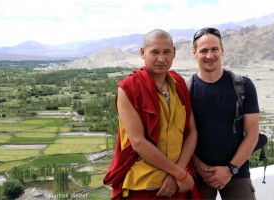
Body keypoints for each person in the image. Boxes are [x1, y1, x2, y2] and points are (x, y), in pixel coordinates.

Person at [103, 29, 202, 199]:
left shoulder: (178, 84)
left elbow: (192, 132)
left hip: (178, 185)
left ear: (174, 52)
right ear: (143, 53)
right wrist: (179, 174)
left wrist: (177, 173)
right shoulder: (129, 88)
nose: (161, 59)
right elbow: (138, 142)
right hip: (144, 186)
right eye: (154, 52)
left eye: (166, 52)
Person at [189, 27, 260, 199]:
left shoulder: (243, 86)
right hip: (199, 174)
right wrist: (198, 167)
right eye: (203, 50)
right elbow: (182, 135)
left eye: (214, 49)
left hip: (237, 171)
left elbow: (252, 134)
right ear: (194, 53)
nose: (209, 55)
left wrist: (230, 169)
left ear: (222, 50)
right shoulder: (186, 89)